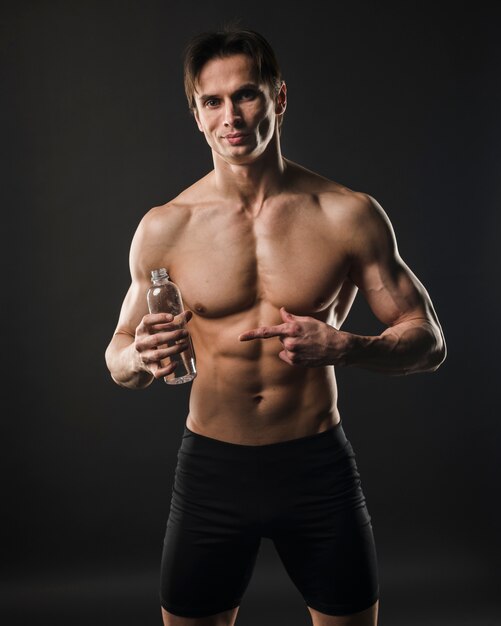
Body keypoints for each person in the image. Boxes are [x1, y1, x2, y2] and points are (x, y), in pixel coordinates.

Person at [104, 25, 446, 626]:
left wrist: (347, 345)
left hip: (315, 465)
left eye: (247, 94)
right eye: (212, 101)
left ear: (278, 97)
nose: (230, 116)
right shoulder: (165, 227)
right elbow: (119, 356)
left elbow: (428, 342)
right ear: (197, 115)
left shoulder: (347, 214)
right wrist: (141, 358)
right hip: (212, 467)